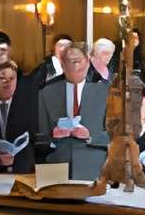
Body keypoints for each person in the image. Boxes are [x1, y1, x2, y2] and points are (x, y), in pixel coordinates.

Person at [33, 44, 108, 183]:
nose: (73, 65)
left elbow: (116, 137)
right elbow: (38, 137)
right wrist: (52, 138)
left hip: (93, 170)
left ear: (88, 61)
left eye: (77, 60)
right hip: (55, 168)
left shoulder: (105, 91)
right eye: (69, 61)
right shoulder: (46, 91)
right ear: (62, 64)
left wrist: (90, 136)